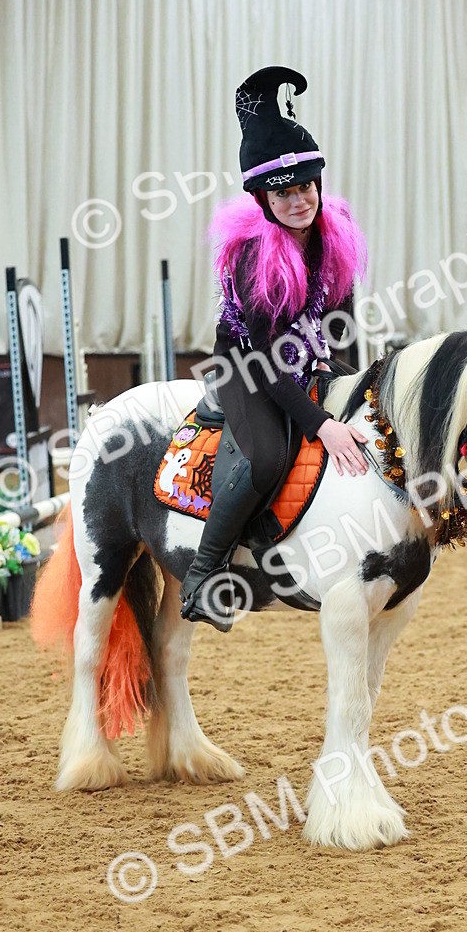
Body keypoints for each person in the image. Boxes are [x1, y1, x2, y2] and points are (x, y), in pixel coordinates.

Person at [180, 66, 369, 629]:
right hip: (246, 365)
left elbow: (342, 325)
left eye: (306, 187)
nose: (299, 201)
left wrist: (350, 386)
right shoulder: (252, 257)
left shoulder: (335, 240)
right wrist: (322, 424)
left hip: (307, 357)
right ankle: (202, 573)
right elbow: (262, 363)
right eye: (284, 192)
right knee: (267, 454)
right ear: (263, 197)